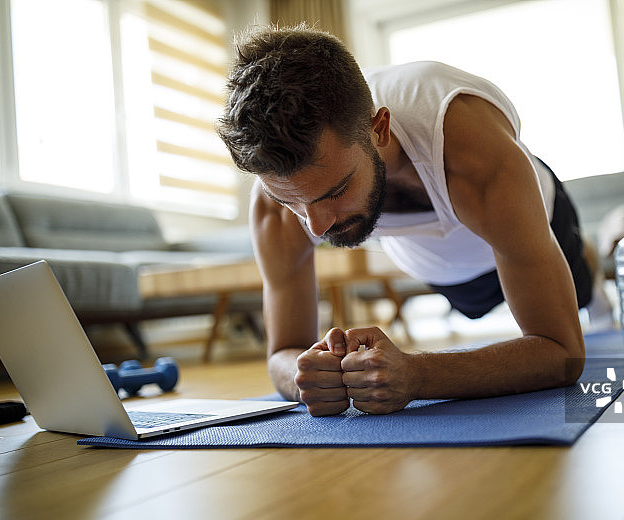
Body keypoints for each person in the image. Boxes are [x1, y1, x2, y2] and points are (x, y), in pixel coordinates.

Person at [218, 24, 592, 416]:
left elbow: (561, 352)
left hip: (537, 221)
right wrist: (306, 375)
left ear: (379, 129)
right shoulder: (277, 194)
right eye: (292, 201)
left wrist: (416, 374)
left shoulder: (470, 146)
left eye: (335, 192)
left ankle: (589, 263)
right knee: (470, 302)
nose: (316, 227)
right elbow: (281, 352)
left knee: (580, 291)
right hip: (434, 263)